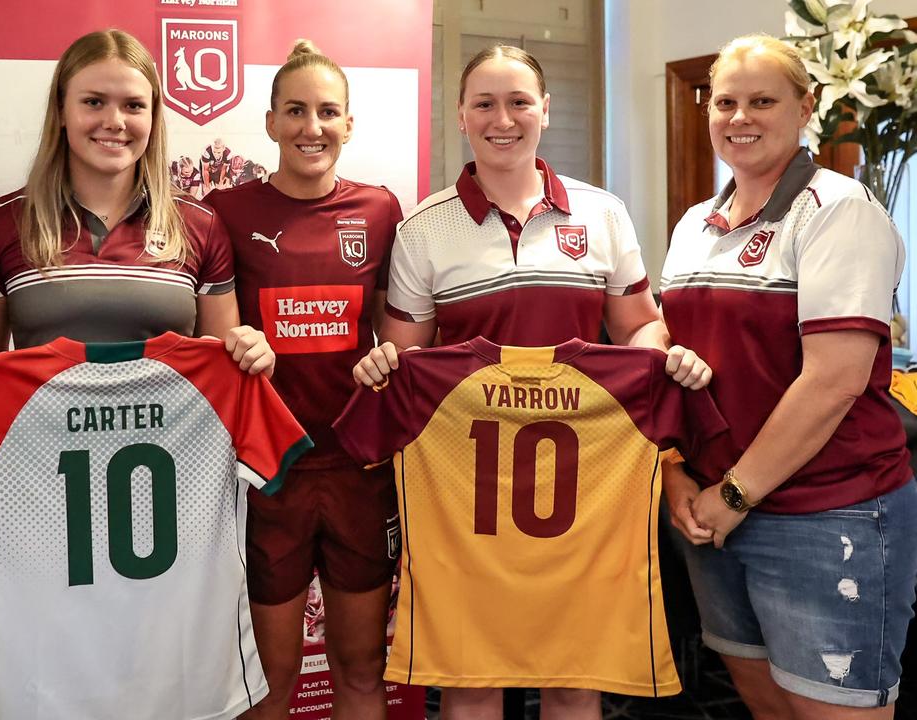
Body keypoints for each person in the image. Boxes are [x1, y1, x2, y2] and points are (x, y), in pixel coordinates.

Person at [353, 44, 710, 720]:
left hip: (583, 487)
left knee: (573, 679)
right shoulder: (424, 228)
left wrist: (662, 357)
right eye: (484, 103)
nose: (502, 118)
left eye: (518, 101)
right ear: (460, 115)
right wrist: (380, 364)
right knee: (469, 678)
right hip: (465, 494)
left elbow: (640, 327)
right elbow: (405, 361)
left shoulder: (600, 213)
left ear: (544, 109)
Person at [660, 34, 917, 719]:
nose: (739, 117)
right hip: (713, 512)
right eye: (725, 102)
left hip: (824, 511)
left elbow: (833, 382)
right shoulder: (694, 224)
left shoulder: (839, 212)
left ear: (804, 107)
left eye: (762, 101)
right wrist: (677, 474)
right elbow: (672, 359)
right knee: (763, 704)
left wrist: (733, 494)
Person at [0, 30, 271, 428]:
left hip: (175, 473)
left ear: (153, 117)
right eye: (94, 102)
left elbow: (224, 377)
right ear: (61, 110)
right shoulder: (1, 222)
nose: (115, 121)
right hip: (37, 471)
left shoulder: (199, 224)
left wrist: (250, 354)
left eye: (133, 105)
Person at [205, 40, 402, 720]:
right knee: (270, 678)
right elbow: (214, 341)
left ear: (348, 123)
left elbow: (392, 336)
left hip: (356, 468)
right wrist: (237, 341)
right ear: (268, 122)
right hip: (269, 473)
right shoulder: (225, 211)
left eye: (326, 112)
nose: (310, 127)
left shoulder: (379, 210)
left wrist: (387, 362)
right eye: (294, 111)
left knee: (359, 667)